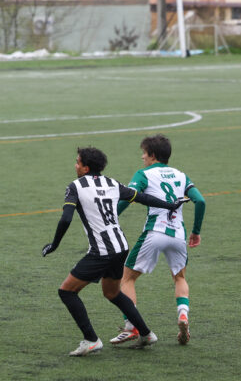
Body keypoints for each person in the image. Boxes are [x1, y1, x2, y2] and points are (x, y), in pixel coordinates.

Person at [41, 147, 184, 357]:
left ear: (85, 167)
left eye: (77, 162)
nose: (75, 165)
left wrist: (54, 244)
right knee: (112, 293)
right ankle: (146, 334)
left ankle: (91, 340)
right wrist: (170, 205)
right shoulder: (112, 183)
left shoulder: (75, 187)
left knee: (67, 292)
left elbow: (66, 218)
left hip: (102, 251)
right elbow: (142, 197)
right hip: (120, 247)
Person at [109, 134, 206, 346]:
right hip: (178, 235)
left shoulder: (144, 174)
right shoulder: (181, 175)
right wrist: (196, 231)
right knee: (179, 278)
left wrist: (111, 218)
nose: (142, 157)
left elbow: (129, 196)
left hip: (155, 232)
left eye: (144, 153)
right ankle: (183, 314)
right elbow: (200, 201)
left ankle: (131, 326)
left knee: (126, 278)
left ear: (152, 155)